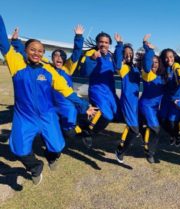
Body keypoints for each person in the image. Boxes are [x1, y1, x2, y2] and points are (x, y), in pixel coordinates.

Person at [0, 15, 97, 185]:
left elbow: (67, 91)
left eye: (40, 51)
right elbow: (2, 41)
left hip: (47, 116)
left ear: (43, 53)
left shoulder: (49, 71)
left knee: (58, 147)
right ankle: (36, 167)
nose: (36, 53)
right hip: (25, 117)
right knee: (19, 150)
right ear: (25, 50)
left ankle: (52, 157)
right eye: (32, 49)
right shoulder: (16, 63)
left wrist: (84, 105)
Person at [10, 26, 87, 139]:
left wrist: (79, 36)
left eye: (61, 56)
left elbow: (76, 52)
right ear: (51, 58)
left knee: (69, 130)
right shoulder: (46, 67)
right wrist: (16, 42)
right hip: (49, 103)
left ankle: (79, 132)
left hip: (65, 103)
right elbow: (26, 53)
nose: (58, 58)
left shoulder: (68, 68)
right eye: (55, 55)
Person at [78, 32, 121, 148]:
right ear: (97, 43)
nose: (103, 44)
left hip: (109, 91)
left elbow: (118, 67)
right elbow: (84, 73)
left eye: (106, 42)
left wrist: (119, 44)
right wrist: (92, 59)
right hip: (97, 90)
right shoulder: (92, 54)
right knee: (107, 116)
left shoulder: (110, 56)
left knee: (116, 113)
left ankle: (85, 126)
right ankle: (88, 132)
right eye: (101, 42)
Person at [113, 33, 141, 163]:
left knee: (133, 128)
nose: (129, 55)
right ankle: (120, 151)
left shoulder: (135, 68)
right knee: (134, 130)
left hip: (136, 101)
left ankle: (122, 146)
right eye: (126, 53)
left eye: (131, 53)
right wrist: (119, 45)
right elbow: (117, 63)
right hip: (128, 101)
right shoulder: (123, 68)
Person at [139, 34, 165, 163]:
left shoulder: (161, 77)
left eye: (156, 62)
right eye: (152, 62)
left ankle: (147, 146)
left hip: (156, 108)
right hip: (147, 106)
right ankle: (149, 153)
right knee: (155, 128)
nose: (154, 65)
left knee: (152, 129)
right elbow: (147, 64)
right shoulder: (147, 75)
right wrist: (148, 47)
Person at [159, 48, 180, 147]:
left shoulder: (176, 67)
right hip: (166, 99)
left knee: (172, 121)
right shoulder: (163, 69)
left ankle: (178, 135)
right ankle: (172, 134)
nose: (169, 59)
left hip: (176, 99)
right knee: (163, 120)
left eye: (171, 57)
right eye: (166, 57)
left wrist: (179, 78)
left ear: (174, 57)